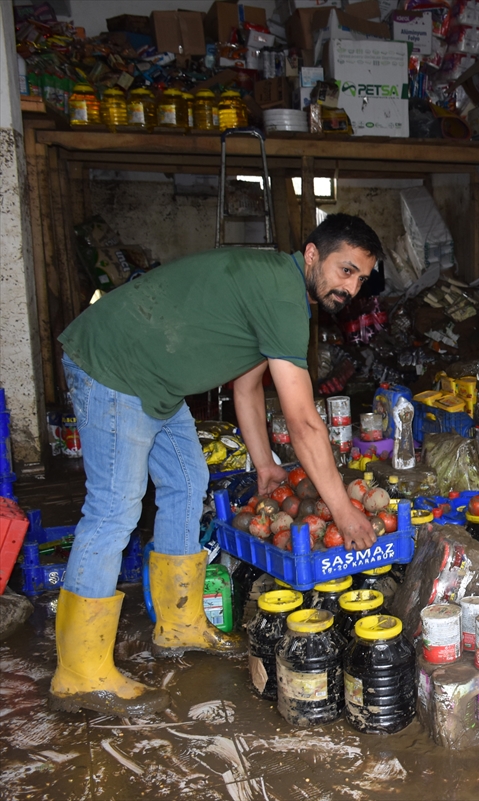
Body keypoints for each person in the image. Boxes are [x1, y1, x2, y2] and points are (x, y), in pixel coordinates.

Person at [50, 213, 384, 716]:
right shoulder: (281, 294)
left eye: (361, 278)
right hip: (116, 366)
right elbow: (304, 422)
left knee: (188, 483)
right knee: (114, 509)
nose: (351, 288)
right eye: (346, 270)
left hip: (157, 379)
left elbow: (246, 388)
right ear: (313, 254)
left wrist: (264, 464)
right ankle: (79, 673)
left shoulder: (281, 290)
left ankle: (179, 625)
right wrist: (343, 510)